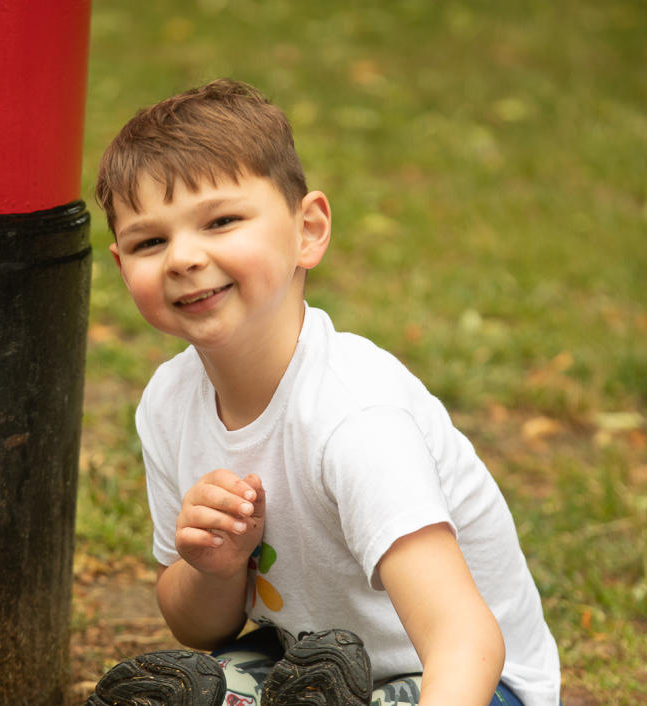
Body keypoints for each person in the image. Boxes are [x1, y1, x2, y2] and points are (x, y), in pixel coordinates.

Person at [85, 79, 561, 706]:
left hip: (468, 683)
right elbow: (200, 627)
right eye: (151, 241)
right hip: (305, 664)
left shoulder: (355, 418)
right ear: (123, 267)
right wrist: (213, 567)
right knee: (207, 685)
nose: (183, 258)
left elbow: (463, 639)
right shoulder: (169, 403)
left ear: (307, 229)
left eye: (221, 221)